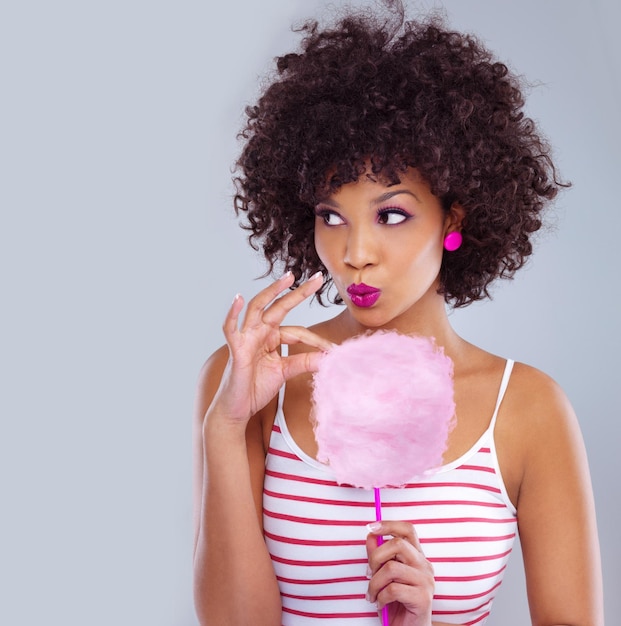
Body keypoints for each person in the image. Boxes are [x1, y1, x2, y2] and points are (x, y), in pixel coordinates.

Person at [192, 3, 603, 624]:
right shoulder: (247, 381)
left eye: (391, 214)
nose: (355, 254)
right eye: (332, 216)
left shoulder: (527, 409)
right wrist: (224, 430)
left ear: (454, 218)